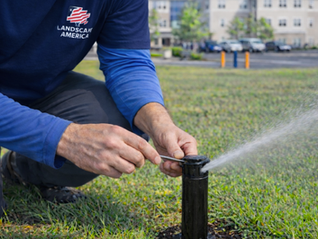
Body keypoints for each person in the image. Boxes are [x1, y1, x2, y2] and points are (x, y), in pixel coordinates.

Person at [0, 0, 197, 216]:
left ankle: (19, 169)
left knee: (120, 119)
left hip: (37, 87)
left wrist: (159, 122)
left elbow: (127, 62)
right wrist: (65, 138)